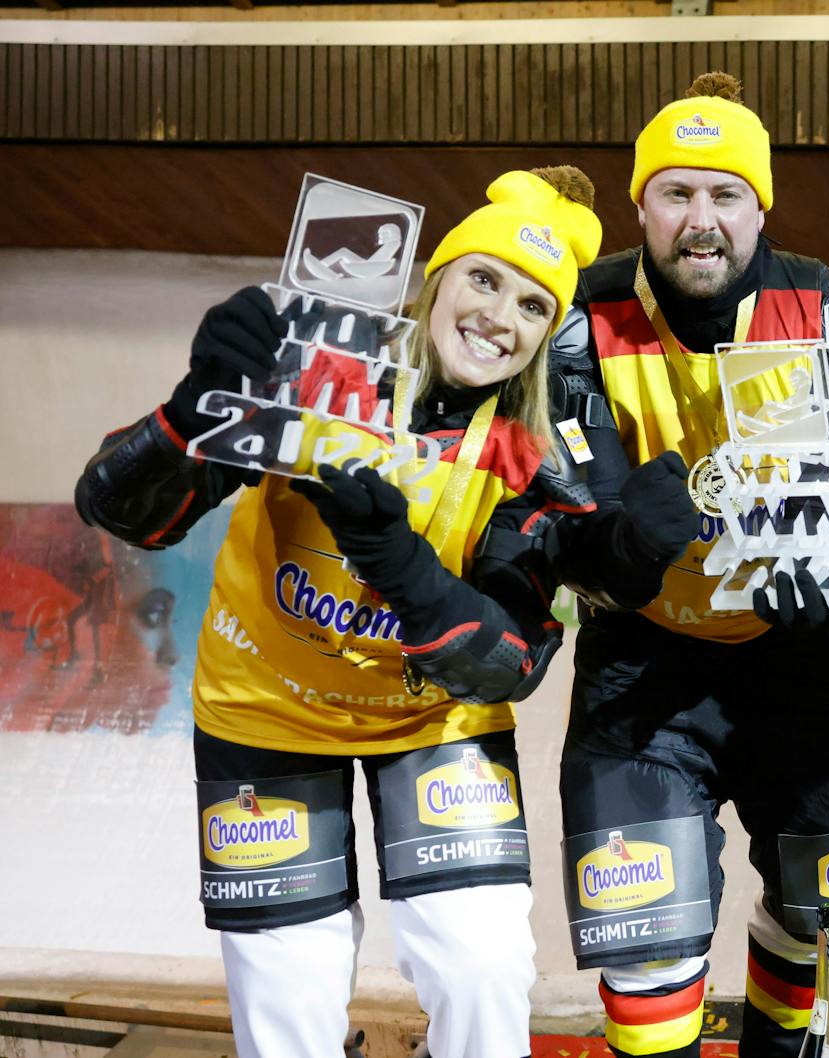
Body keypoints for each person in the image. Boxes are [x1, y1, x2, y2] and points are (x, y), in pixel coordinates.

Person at [75, 166, 609, 1057]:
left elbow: (511, 659)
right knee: (289, 1007)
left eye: (530, 306)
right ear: (436, 283)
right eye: (483, 279)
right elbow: (118, 509)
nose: (498, 317)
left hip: (434, 723)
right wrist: (191, 408)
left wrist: (397, 562)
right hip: (267, 712)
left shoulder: (535, 460)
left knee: (483, 973)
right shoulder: (318, 379)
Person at [550, 72, 829, 1058]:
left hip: (790, 651)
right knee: (646, 942)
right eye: (675, 192)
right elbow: (553, 520)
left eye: (724, 194)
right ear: (639, 204)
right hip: (641, 662)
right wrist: (614, 543)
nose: (700, 221)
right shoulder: (580, 313)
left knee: (818, 917)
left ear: (761, 207)